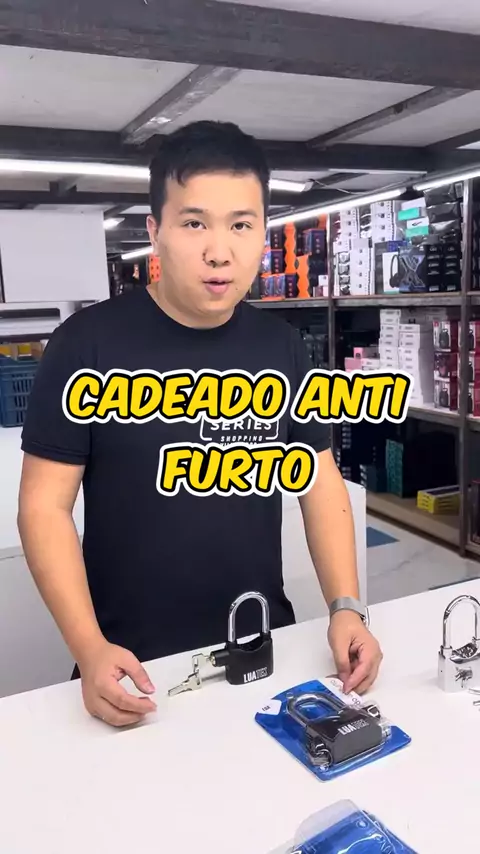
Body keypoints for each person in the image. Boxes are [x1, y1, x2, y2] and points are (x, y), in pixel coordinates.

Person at [17, 120, 382, 728]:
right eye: (194, 223)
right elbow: (42, 507)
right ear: (155, 231)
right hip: (133, 666)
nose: (220, 251)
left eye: (241, 225)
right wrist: (89, 646)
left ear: (263, 231)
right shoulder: (86, 345)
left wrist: (346, 606)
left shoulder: (280, 347)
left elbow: (319, 482)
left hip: (262, 647)